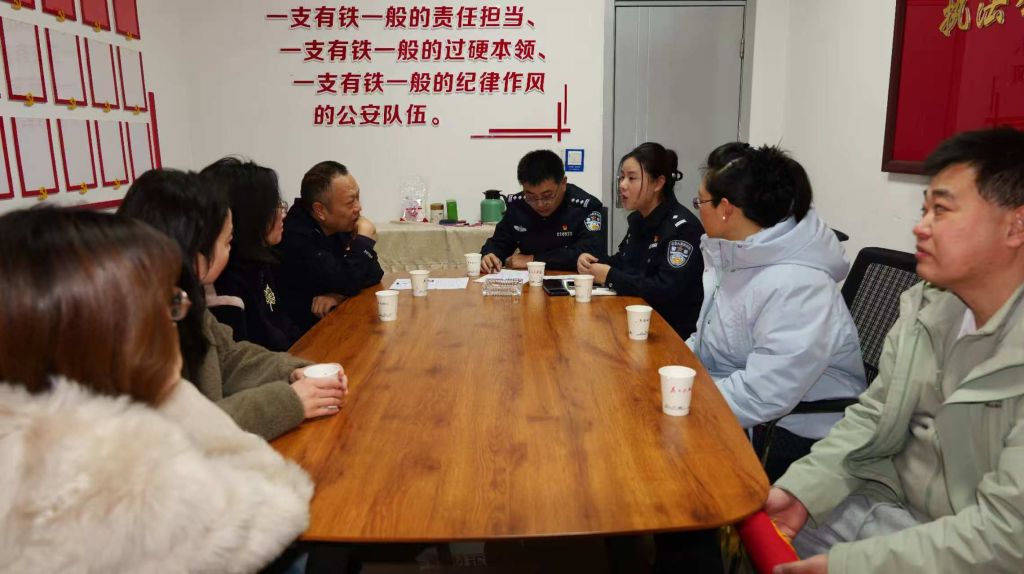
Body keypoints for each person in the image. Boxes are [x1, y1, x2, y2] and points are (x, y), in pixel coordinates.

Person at [768, 127, 1024, 574]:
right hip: (888, 505)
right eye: (924, 209)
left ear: (1015, 226)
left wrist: (849, 565)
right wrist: (803, 491)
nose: (920, 227)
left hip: (976, 545)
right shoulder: (927, 308)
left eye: (941, 210)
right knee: (772, 526)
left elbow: (1007, 536)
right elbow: (874, 414)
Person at [0, 208, 312, 572]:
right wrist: (173, 393)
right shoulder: (135, 477)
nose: (178, 317)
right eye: (168, 304)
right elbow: (280, 505)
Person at [119, 169, 347, 440]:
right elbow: (184, 432)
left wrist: (294, 371)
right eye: (227, 242)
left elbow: (229, 356)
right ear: (194, 250)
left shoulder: (182, 298)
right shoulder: (135, 328)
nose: (231, 249)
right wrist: (289, 401)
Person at [687, 142, 866, 481]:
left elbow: (763, 394)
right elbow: (708, 338)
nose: (697, 209)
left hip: (797, 432)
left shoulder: (800, 284)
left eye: (701, 201)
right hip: (741, 403)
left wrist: (684, 402)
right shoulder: (735, 257)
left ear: (725, 209)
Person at [577, 142, 704, 338]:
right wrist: (592, 262)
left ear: (658, 183)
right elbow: (623, 262)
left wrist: (609, 275)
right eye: (622, 177)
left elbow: (665, 290)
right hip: (635, 323)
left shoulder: (682, 228)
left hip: (669, 333)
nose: (622, 185)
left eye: (632, 178)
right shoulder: (639, 219)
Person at [200, 157, 303, 352]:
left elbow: (279, 318)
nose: (283, 213)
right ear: (251, 215)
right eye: (275, 206)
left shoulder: (259, 261)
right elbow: (244, 356)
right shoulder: (223, 284)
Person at [277, 161, 384, 332]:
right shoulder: (296, 236)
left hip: (334, 323)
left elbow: (374, 273)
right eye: (350, 202)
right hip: (302, 335)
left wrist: (339, 295)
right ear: (320, 210)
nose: (358, 207)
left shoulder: (337, 224)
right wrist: (363, 238)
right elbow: (350, 279)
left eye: (358, 197)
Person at [480, 149, 605, 272]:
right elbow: (499, 242)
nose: (539, 204)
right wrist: (490, 256)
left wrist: (534, 260)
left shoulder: (586, 207)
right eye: (531, 197)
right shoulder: (518, 205)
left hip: (573, 281)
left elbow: (591, 252)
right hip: (529, 280)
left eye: (547, 196)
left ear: (563, 183)